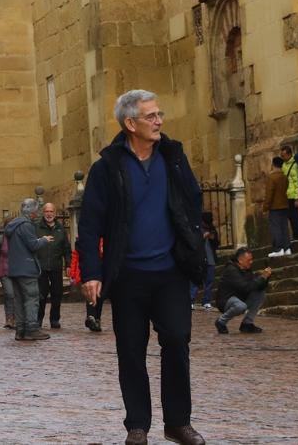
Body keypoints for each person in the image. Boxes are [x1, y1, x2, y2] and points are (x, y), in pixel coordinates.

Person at [77, 89, 207, 445]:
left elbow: (192, 199)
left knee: (177, 341)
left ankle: (178, 422)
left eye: (159, 114)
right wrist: (91, 272)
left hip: (170, 271)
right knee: (131, 350)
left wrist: (193, 242)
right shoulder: (107, 167)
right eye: (151, 116)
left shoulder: (173, 156)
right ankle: (137, 424)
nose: (159, 121)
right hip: (128, 274)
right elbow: (89, 224)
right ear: (130, 123)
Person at [5, 198, 54, 341]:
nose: (37, 213)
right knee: (31, 298)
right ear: (32, 212)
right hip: (26, 268)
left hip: (14, 268)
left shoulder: (13, 225)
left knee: (19, 300)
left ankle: (20, 330)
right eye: (36, 210)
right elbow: (32, 245)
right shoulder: (26, 225)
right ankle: (31, 329)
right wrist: (44, 240)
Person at [213, 248, 271, 333]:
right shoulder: (231, 270)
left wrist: (266, 278)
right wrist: (262, 277)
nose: (251, 262)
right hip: (226, 301)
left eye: (251, 259)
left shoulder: (247, 269)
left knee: (260, 294)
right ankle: (221, 322)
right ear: (240, 260)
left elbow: (256, 286)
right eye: (249, 260)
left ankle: (247, 324)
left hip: (240, 298)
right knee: (241, 306)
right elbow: (245, 287)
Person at [34, 202, 71, 329]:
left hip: (56, 266)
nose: (49, 214)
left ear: (55, 213)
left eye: (51, 211)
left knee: (57, 294)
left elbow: (66, 248)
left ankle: (54, 319)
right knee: (41, 295)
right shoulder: (37, 228)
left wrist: (68, 264)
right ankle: (38, 319)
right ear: (43, 213)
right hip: (41, 267)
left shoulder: (60, 229)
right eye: (46, 211)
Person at [69, 238, 104, 332]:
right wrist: (73, 273)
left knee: (99, 296)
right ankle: (91, 316)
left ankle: (96, 318)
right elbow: (75, 257)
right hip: (88, 270)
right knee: (90, 293)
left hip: (102, 270)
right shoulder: (83, 240)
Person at [188, 212, 220, 310]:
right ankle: (191, 300)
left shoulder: (212, 230)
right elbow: (193, 243)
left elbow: (216, 244)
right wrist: (202, 237)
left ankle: (206, 301)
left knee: (209, 281)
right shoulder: (196, 229)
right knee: (195, 281)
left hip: (210, 259)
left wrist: (212, 238)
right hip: (199, 259)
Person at [264, 157, 291, 257]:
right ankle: (287, 247)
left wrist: (266, 206)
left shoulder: (272, 178)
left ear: (273, 164)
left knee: (276, 227)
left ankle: (278, 248)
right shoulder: (284, 177)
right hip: (284, 205)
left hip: (275, 206)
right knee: (284, 227)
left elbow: (269, 193)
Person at [280, 145, 298, 242]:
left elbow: (297, 182)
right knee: (288, 216)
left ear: (289, 154)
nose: (282, 157)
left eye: (284, 155)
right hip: (286, 195)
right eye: (281, 155)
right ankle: (293, 236)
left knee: (295, 217)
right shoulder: (284, 165)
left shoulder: (295, 165)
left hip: (293, 196)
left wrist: (297, 198)